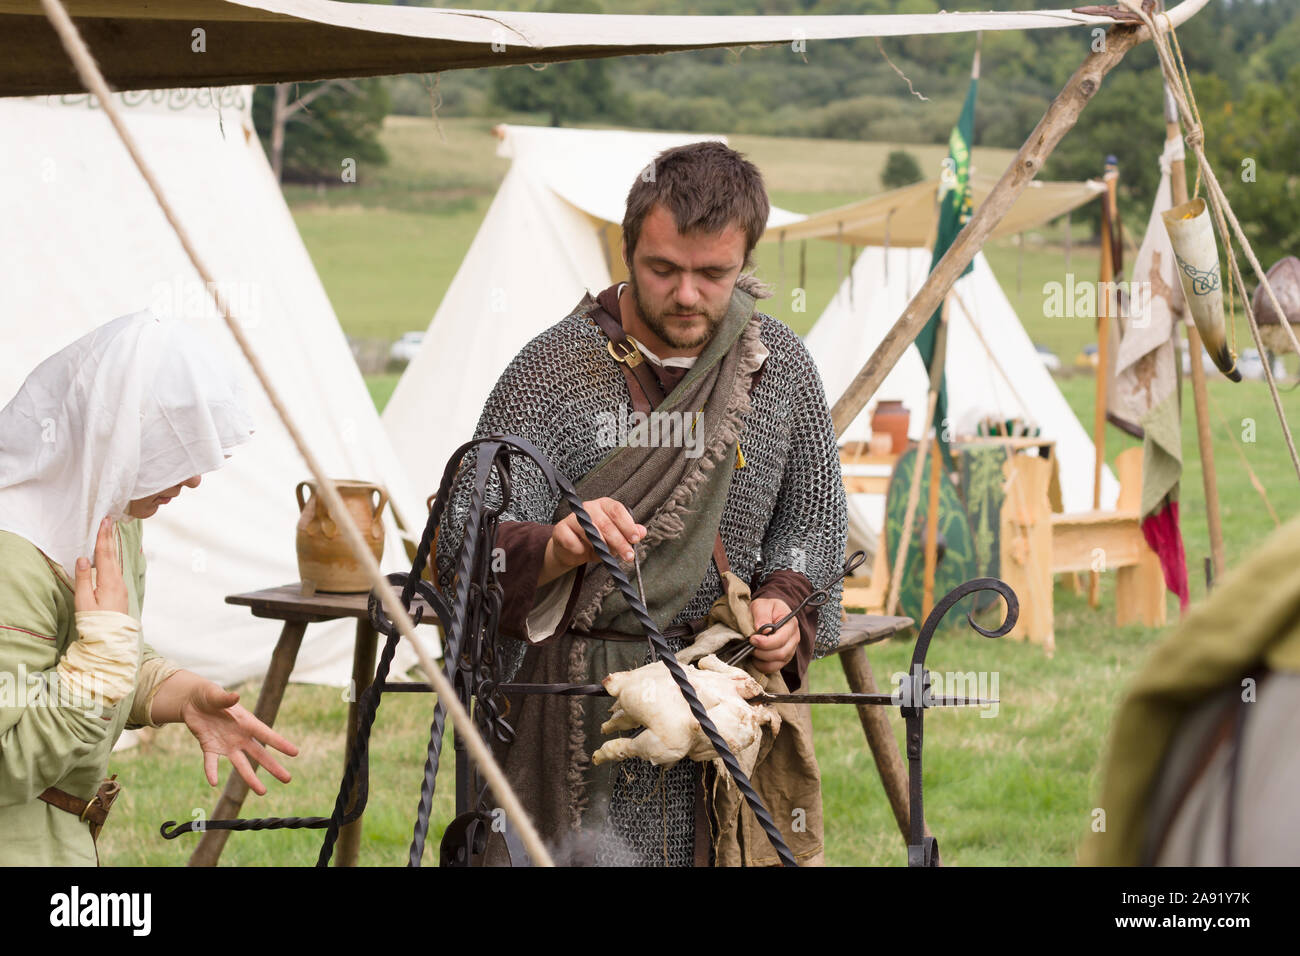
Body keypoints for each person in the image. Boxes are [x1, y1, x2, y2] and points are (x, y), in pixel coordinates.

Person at [436, 141, 847, 866]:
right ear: (628, 252)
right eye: (664, 270)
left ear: (746, 259)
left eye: (713, 274)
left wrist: (786, 600)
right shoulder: (553, 372)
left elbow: (810, 525)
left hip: (722, 692)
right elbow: (463, 540)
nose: (687, 295)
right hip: (574, 704)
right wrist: (559, 545)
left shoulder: (777, 367)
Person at [0, 311, 298, 865]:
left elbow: (95, 655)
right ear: (116, 432)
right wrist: (99, 665)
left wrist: (177, 693)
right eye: (172, 445)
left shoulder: (108, 523)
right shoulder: (9, 561)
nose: (192, 478)